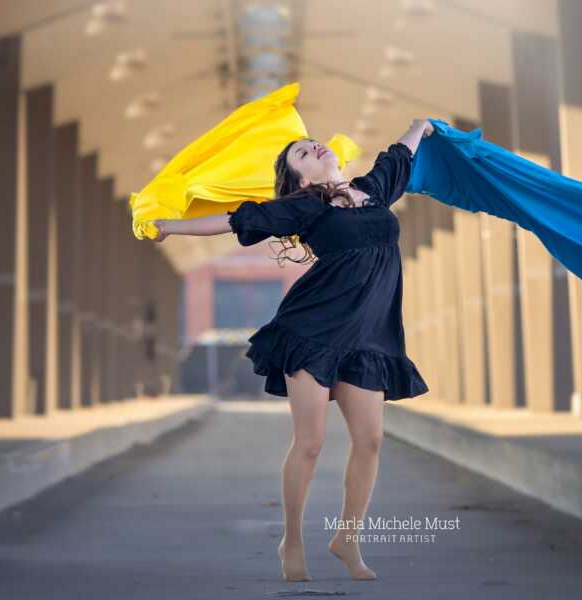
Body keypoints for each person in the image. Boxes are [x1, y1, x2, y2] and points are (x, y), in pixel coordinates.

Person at [150, 118, 435, 582]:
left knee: (371, 440)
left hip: (368, 337)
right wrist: (169, 227)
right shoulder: (305, 207)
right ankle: (293, 540)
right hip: (314, 330)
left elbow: (397, 156)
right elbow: (235, 220)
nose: (313, 146)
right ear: (302, 178)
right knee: (311, 442)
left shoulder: (374, 192)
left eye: (312, 143)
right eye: (302, 152)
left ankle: (348, 539)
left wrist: (418, 127)